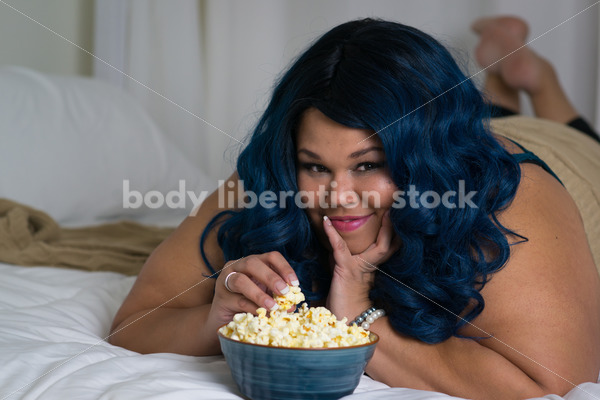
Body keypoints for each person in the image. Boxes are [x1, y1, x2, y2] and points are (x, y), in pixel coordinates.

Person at [109, 16, 600, 399]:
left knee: (576, 137)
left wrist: (361, 319)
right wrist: (212, 320)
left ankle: (541, 84)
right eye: (316, 166)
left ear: (418, 163)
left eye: (367, 165)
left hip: (572, 161)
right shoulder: (274, 176)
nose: (338, 196)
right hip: (443, 130)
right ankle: (510, 78)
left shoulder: (514, 200)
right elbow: (133, 325)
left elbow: (551, 387)